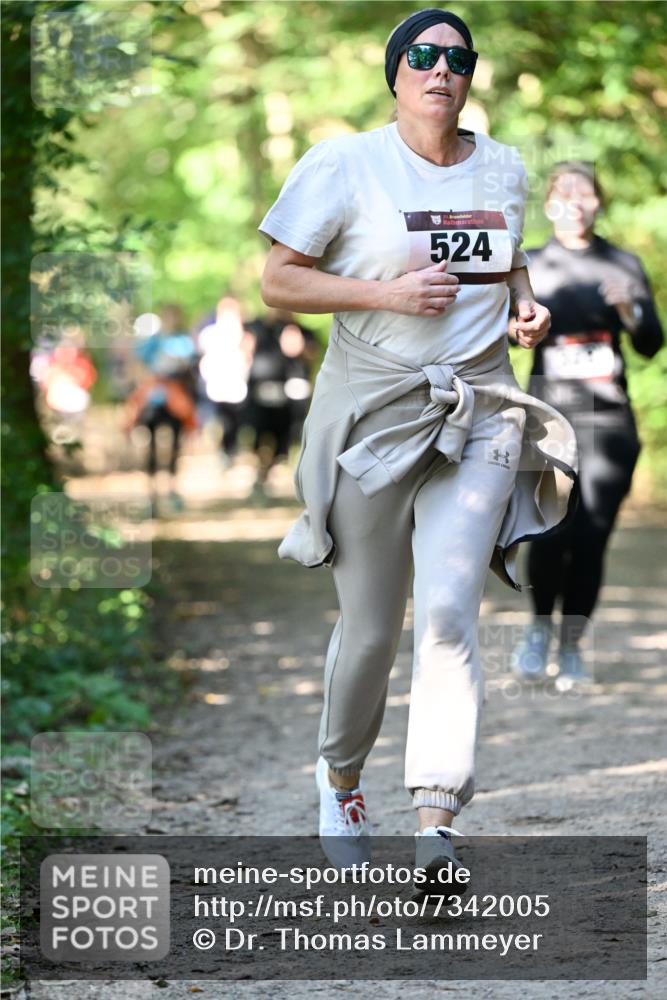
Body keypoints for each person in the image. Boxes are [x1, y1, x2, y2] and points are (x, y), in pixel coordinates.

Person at [259, 8, 577, 878]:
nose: (441, 70)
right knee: (370, 627)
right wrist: (386, 295)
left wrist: (524, 307)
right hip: (375, 413)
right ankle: (341, 775)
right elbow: (278, 280)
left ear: (470, 76)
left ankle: (435, 825)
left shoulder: (503, 166)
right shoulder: (344, 164)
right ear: (396, 73)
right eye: (423, 56)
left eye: (457, 59)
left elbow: (506, 264)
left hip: (478, 408)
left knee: (446, 615)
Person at [510, 162, 664, 689]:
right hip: (549, 417)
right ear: (549, 204)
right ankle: (537, 631)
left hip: (609, 421)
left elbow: (649, 344)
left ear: (599, 203)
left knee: (593, 537)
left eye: (586, 193)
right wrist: (520, 327)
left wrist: (628, 307)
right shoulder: (530, 263)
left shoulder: (622, 263)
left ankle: (573, 646)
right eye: (563, 193)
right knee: (550, 530)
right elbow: (503, 336)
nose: (575, 202)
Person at [125, 304, 198, 510]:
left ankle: (172, 489)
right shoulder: (152, 342)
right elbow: (137, 363)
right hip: (153, 397)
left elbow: (189, 365)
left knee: (176, 444)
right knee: (151, 446)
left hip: (176, 397)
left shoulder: (183, 340)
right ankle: (151, 492)